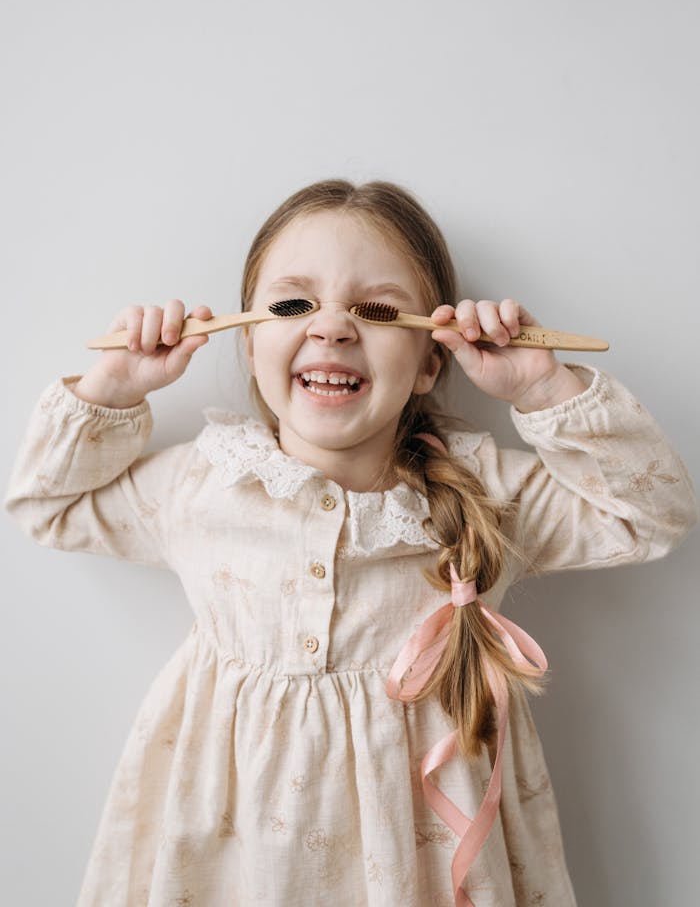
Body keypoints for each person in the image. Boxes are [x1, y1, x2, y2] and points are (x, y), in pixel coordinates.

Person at [5, 179, 697, 907]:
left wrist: (540, 386)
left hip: (425, 859)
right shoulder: (205, 483)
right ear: (248, 344)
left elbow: (649, 515)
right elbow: (48, 504)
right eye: (293, 304)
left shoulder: (485, 492)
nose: (331, 328)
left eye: (375, 309)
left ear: (431, 361)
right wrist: (114, 386)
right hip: (230, 852)